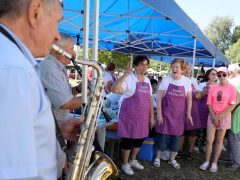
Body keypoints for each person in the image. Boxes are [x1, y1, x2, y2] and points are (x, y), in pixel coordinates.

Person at [0, 0, 80, 179]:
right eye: (57, 22)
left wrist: (56, 132)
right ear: (35, 12)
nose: (57, 36)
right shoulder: (15, 70)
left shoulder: (13, 60)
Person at [111, 55, 154, 175]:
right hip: (129, 116)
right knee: (128, 140)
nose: (144, 67)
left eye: (146, 64)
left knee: (140, 139)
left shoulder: (147, 80)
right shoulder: (129, 78)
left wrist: (151, 117)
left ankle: (133, 159)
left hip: (143, 116)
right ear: (136, 65)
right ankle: (125, 163)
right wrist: (123, 75)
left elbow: (150, 99)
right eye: (142, 64)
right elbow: (114, 89)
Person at [153, 58, 192, 169]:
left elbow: (189, 99)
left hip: (179, 116)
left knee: (176, 137)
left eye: (177, 67)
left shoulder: (187, 81)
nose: (174, 69)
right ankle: (157, 157)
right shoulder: (166, 80)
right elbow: (159, 98)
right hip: (165, 114)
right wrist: (159, 114)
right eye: (173, 66)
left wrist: (188, 114)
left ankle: (172, 159)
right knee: (162, 136)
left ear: (182, 69)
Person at [199, 67, 238, 173]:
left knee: (219, 140)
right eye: (219, 75)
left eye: (223, 75)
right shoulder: (213, 87)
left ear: (228, 75)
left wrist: (219, 117)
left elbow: (232, 105)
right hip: (212, 116)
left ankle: (214, 162)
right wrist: (213, 116)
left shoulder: (232, 88)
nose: (221, 77)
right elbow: (209, 103)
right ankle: (207, 161)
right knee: (209, 140)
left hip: (224, 117)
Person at [40, 33, 82, 127]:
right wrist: (91, 98)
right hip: (50, 129)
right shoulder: (50, 67)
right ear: (61, 50)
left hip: (57, 127)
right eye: (72, 48)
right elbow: (66, 103)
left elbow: (64, 95)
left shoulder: (58, 67)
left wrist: (78, 89)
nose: (74, 53)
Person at [177, 62, 201, 160]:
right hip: (180, 107)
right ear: (182, 70)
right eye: (185, 68)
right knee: (180, 130)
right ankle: (179, 150)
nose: (187, 70)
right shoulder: (178, 79)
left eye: (189, 69)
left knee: (192, 130)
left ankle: (190, 151)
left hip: (193, 108)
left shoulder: (194, 80)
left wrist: (198, 94)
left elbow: (198, 94)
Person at [195, 68, 217, 152]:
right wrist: (207, 87)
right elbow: (199, 96)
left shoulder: (218, 85)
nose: (214, 75)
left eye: (215, 74)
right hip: (202, 108)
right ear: (208, 75)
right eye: (212, 74)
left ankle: (205, 145)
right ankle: (197, 145)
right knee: (200, 127)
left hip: (212, 110)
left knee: (209, 128)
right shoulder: (202, 84)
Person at [227, 63, 240, 171]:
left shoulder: (233, 82)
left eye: (229, 72)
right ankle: (231, 158)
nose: (227, 74)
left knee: (233, 138)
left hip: (235, 112)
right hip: (237, 111)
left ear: (233, 72)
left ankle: (236, 162)